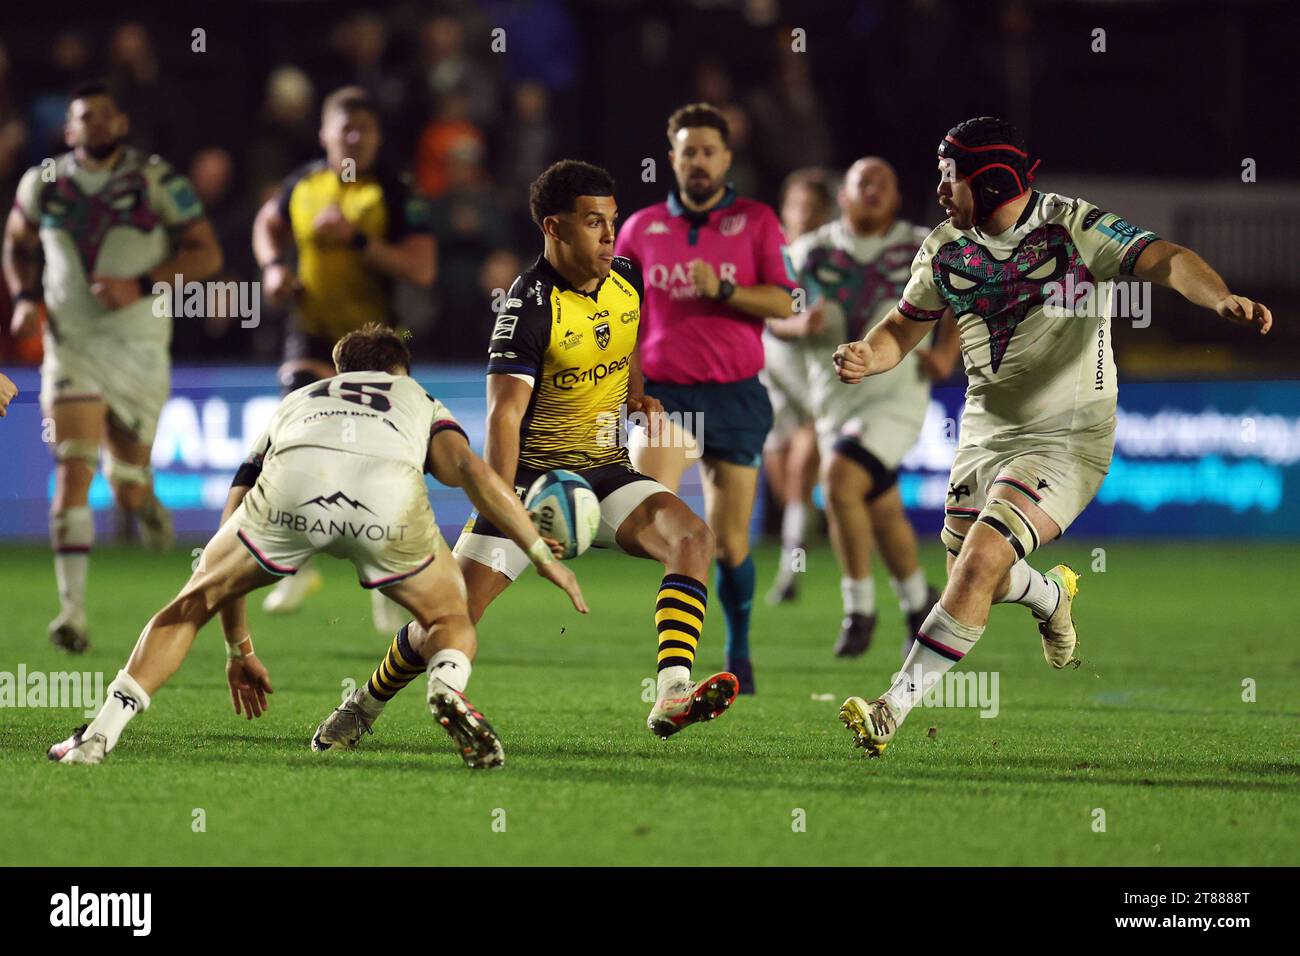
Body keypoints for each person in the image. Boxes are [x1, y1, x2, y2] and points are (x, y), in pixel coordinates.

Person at [834, 117, 1274, 757]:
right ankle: (1050, 592)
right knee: (970, 570)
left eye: (949, 177)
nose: (938, 188)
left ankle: (889, 709)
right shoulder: (945, 246)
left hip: (1068, 438)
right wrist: (867, 355)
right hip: (985, 432)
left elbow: (1169, 259)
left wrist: (1220, 297)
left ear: (988, 181)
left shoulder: (1073, 227)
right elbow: (904, 328)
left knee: (982, 561)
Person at [311, 160, 738, 749]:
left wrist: (637, 395)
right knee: (449, 616)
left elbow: (625, 340)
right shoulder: (528, 308)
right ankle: (365, 703)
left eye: (612, 221)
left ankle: (671, 691)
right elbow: (504, 415)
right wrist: (507, 505)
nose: (610, 235)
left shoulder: (627, 279)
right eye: (594, 224)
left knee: (692, 537)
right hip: (531, 483)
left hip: (605, 471)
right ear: (555, 229)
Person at [47, 324, 586, 767]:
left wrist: (240, 649)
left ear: (340, 373)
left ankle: (99, 735)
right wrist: (538, 553)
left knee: (189, 606)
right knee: (450, 620)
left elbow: (229, 519)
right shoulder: (418, 397)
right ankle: (445, 686)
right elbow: (465, 470)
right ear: (400, 372)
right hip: (386, 506)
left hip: (291, 495)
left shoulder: (299, 400)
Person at [3, 80, 222, 654]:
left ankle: (142, 501)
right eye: (83, 117)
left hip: (138, 347)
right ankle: (71, 612)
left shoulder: (156, 181)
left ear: (120, 123)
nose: (93, 125)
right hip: (71, 344)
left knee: (124, 488)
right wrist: (26, 298)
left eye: (104, 116)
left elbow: (206, 253)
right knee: (73, 467)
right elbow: (17, 241)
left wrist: (144, 284)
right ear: (69, 128)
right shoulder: (43, 183)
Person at [614, 103, 796, 694]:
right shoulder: (639, 229)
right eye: (687, 151)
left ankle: (739, 646)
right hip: (667, 395)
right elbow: (621, 316)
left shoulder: (759, 221)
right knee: (650, 516)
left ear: (726, 158)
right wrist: (630, 387)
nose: (697, 161)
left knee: (731, 542)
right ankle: (674, 661)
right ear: (672, 159)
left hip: (737, 395)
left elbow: (789, 303)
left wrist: (726, 289)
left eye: (708, 151)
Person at [252, 85, 436, 632]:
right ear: (325, 134)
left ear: (378, 138)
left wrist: (357, 241)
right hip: (310, 334)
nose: (355, 138)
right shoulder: (303, 184)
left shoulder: (398, 192)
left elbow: (422, 268)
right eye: (345, 128)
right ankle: (296, 566)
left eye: (366, 130)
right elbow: (268, 222)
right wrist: (272, 268)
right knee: (296, 440)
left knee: (379, 463)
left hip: (378, 342)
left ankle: (387, 573)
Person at [774, 157, 959, 659]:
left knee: (837, 479)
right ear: (843, 195)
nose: (874, 190)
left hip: (896, 396)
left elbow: (965, 298)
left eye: (884, 183)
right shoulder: (809, 251)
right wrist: (798, 326)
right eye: (863, 182)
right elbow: (773, 314)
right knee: (880, 509)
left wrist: (944, 353)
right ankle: (920, 603)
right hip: (834, 400)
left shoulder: (925, 243)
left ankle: (859, 608)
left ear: (897, 196)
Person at [760, 168, 836, 606]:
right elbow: (765, 313)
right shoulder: (769, 251)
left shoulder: (832, 258)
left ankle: (789, 575)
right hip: (770, 370)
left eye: (812, 208)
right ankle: (816, 521)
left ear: (823, 213)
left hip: (813, 373)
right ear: (785, 209)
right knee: (781, 480)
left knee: (799, 471)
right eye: (797, 205)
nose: (803, 215)